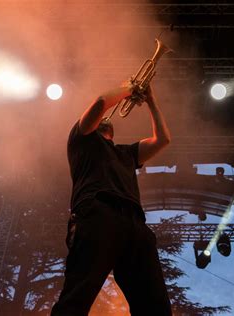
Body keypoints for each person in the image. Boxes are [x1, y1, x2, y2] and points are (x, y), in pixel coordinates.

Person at [51, 82, 172, 316]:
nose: (106, 119)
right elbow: (100, 102)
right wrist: (131, 86)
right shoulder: (81, 139)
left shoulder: (126, 153)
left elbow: (163, 139)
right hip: (97, 213)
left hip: (135, 222)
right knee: (77, 297)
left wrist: (151, 100)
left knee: (156, 307)